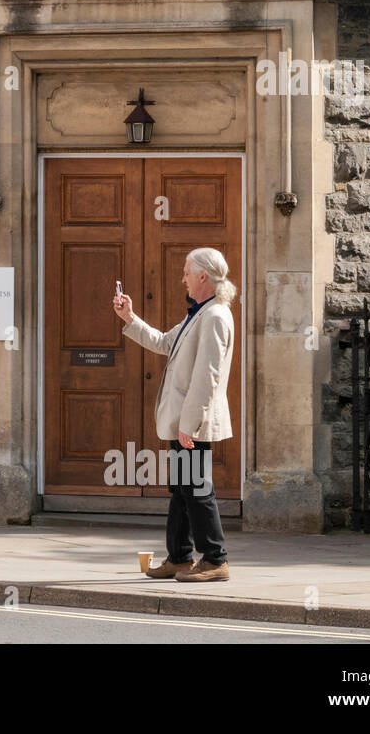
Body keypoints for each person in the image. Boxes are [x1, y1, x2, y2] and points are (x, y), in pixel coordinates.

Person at [113, 247, 236, 583]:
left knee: (197, 488)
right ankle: (180, 557)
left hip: (190, 423)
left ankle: (215, 559)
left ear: (203, 276)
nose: (181, 278)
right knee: (183, 488)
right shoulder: (199, 314)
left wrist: (189, 426)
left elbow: (207, 376)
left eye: (186, 271)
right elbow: (165, 342)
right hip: (184, 421)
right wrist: (129, 318)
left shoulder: (214, 317)